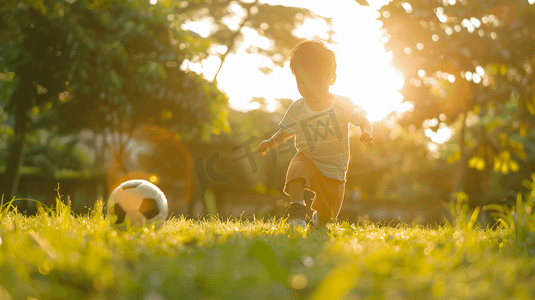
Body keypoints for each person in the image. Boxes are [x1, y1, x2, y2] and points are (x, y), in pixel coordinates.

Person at [257, 39, 374, 229]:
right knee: (296, 171)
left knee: (328, 214)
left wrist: (366, 132)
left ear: (331, 79)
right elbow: (285, 131)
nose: (308, 87)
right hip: (307, 159)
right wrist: (270, 142)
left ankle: (317, 222)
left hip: (334, 169)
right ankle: (296, 208)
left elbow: (363, 120)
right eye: (302, 81)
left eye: (315, 80)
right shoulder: (298, 108)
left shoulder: (343, 104)